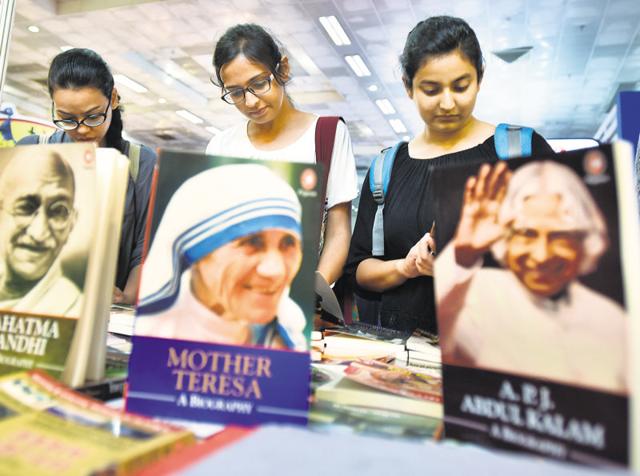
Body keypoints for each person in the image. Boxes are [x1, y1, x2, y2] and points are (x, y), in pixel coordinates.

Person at [346, 16, 554, 334]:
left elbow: (565, 254)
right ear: (408, 86)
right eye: (431, 89)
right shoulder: (386, 168)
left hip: (497, 349)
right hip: (403, 358)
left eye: (461, 86)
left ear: (480, 78)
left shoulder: (519, 152)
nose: (447, 103)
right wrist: (406, 267)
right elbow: (359, 270)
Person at [435, 159, 627, 393]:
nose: (541, 256)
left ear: (585, 241)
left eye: (560, 236)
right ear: (505, 238)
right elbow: (444, 342)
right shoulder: (471, 294)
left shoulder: (613, 320)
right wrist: (463, 256)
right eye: (527, 233)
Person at [206, 24, 358, 290]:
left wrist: (313, 293)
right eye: (236, 92)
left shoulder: (327, 134)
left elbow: (338, 231)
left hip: (303, 298)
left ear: (283, 69)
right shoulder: (221, 145)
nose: (250, 102)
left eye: (259, 83)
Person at [17, 48, 156, 305]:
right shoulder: (33, 151)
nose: (81, 129)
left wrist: (126, 297)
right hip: (33, 303)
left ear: (113, 98)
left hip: (106, 308)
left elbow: (144, 246)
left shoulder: (141, 163)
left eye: (93, 117)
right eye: (67, 118)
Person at [134, 163, 306, 350]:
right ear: (196, 253)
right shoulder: (155, 334)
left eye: (288, 243)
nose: (275, 270)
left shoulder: (287, 337)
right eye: (252, 242)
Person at [0, 148, 81, 316]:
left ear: (71, 223)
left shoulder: (75, 309)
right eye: (25, 208)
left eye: (58, 211)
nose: (39, 233)